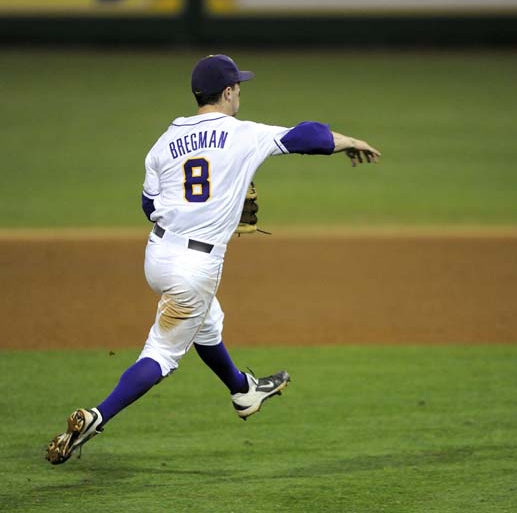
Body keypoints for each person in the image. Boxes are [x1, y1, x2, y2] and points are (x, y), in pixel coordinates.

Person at [46, 54, 381, 465]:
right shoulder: (242, 134)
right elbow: (307, 137)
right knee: (163, 354)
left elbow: (150, 206)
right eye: (238, 86)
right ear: (227, 92)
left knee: (207, 323)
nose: (240, 91)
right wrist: (351, 142)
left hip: (157, 255)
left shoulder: (165, 140)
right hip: (195, 269)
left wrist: (194, 212)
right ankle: (97, 416)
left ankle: (243, 390)